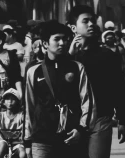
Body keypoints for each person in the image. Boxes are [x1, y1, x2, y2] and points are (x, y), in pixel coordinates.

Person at [24, 20, 92, 158]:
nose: (62, 43)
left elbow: (88, 102)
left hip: (71, 137)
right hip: (41, 139)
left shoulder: (77, 68)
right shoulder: (33, 71)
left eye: (65, 39)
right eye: (57, 39)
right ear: (45, 43)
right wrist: (26, 140)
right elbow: (28, 107)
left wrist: (81, 129)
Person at [67, 6, 125, 158]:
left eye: (93, 21)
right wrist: (70, 56)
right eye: (85, 21)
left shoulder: (108, 55)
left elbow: (118, 89)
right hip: (73, 121)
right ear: (73, 27)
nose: (91, 25)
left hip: (100, 118)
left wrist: (122, 120)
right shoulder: (66, 58)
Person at [0, 89, 25, 158]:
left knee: (22, 153)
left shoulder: (20, 115)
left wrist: (24, 125)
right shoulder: (0, 115)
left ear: (17, 102)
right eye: (7, 99)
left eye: (13, 99)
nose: (10, 102)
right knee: (3, 146)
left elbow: (26, 123)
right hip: (2, 140)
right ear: (3, 102)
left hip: (17, 142)